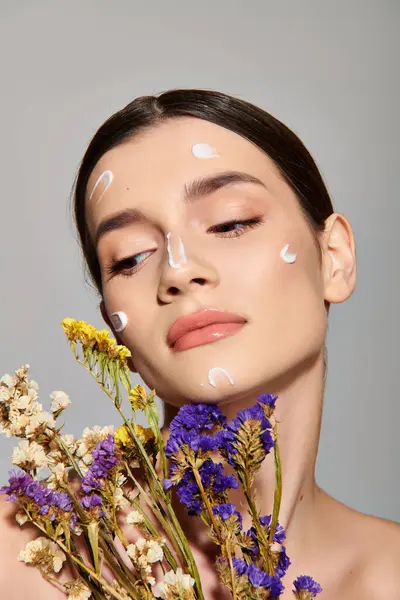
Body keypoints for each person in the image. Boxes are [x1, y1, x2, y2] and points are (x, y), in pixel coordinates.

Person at [1, 88, 399, 599]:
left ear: (335, 257)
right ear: (112, 325)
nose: (179, 269)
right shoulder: (21, 561)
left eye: (231, 222)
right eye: (130, 257)